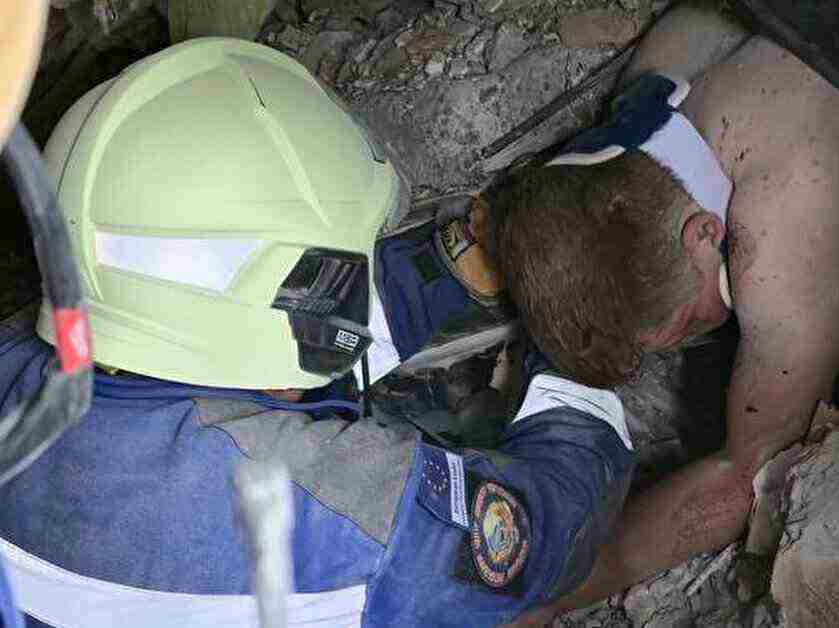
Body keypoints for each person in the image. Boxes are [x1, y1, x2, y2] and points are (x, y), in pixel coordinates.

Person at [0, 37, 633, 627]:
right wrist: (571, 343)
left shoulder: (27, 360)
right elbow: (552, 530)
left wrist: (441, 273)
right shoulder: (333, 516)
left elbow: (256, 331)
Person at [492, 1, 839, 621]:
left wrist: (549, 597)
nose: (682, 344)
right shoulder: (655, 82)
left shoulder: (780, 237)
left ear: (705, 233)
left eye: (683, 325)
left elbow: (749, 472)